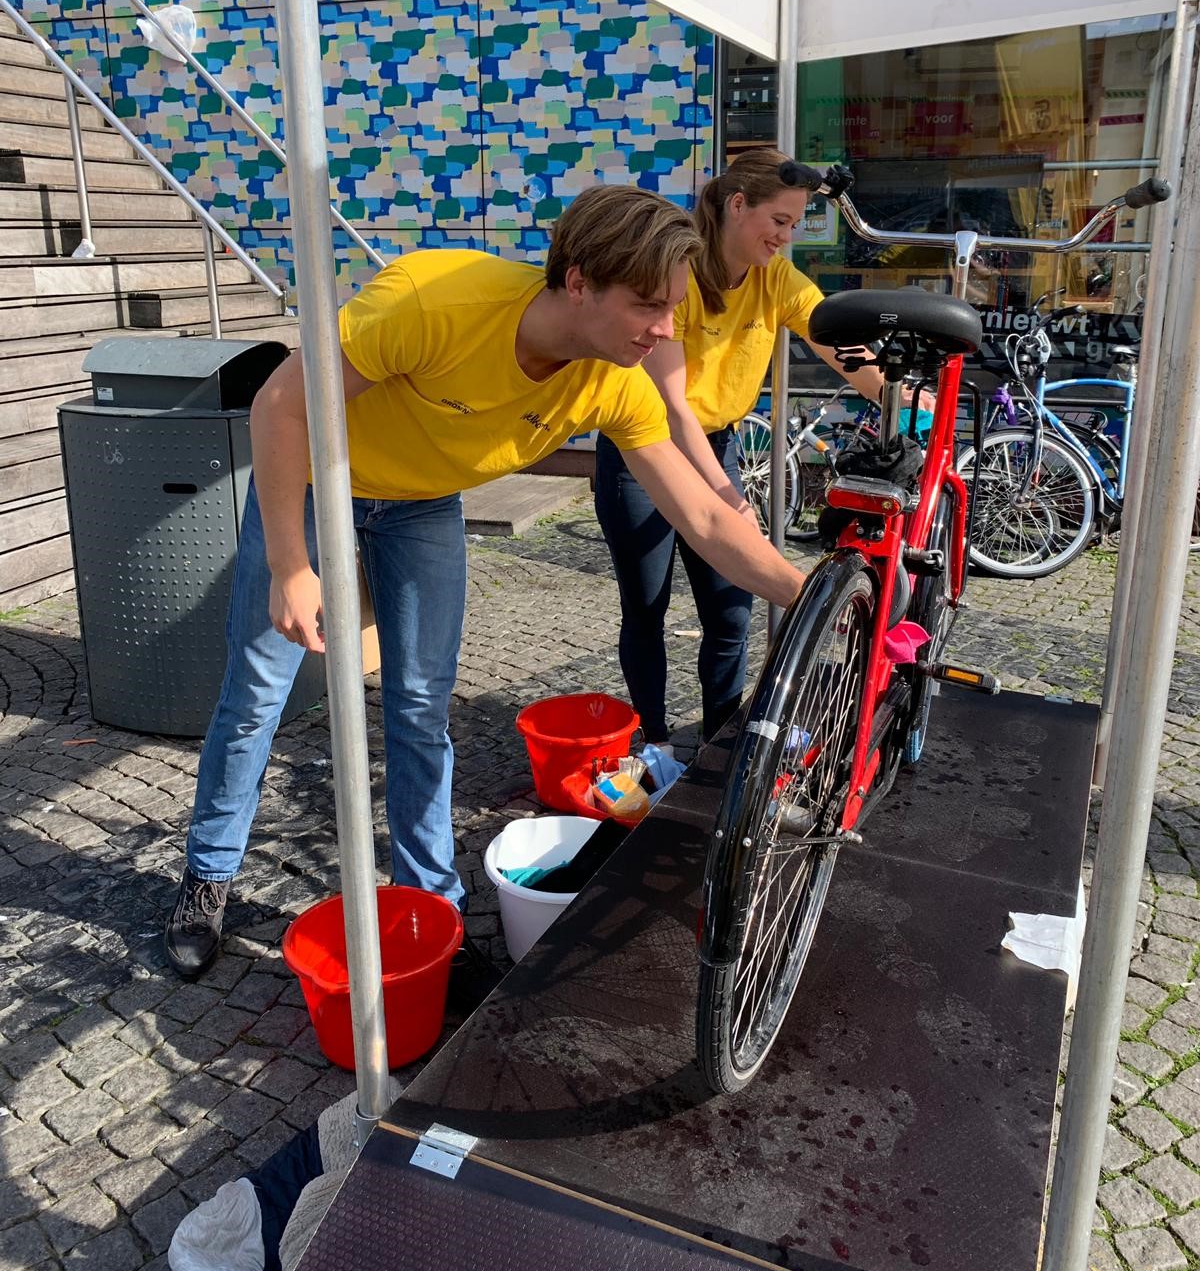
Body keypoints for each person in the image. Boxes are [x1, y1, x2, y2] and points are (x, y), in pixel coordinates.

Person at [164, 184, 806, 990]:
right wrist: (292, 565)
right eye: (649, 305)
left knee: (420, 707)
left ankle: (430, 907)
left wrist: (809, 594)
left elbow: (706, 520)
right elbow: (281, 406)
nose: (665, 330)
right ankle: (207, 875)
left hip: (422, 503)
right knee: (259, 690)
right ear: (579, 282)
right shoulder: (438, 301)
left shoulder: (614, 381)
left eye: (673, 308)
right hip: (318, 479)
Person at [594, 148, 924, 753]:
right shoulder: (679, 276)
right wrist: (730, 499)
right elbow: (673, 408)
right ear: (738, 205)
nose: (786, 236)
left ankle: (723, 733)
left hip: (715, 444)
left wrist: (898, 399)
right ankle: (653, 741)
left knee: (730, 609)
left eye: (794, 224)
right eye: (779, 220)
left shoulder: (776, 280)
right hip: (643, 452)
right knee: (646, 607)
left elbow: (837, 344)